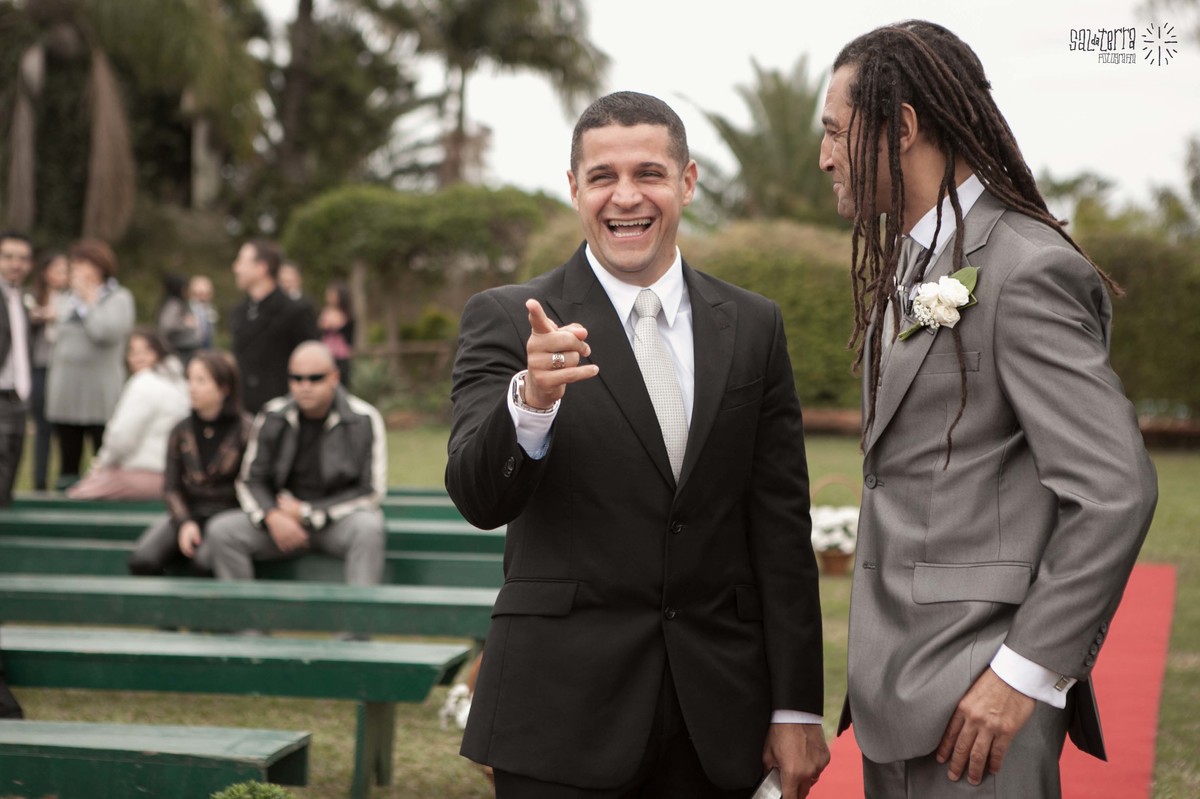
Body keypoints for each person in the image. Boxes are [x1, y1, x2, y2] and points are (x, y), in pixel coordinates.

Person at [446, 91, 828, 798]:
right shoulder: (507, 317)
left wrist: (797, 702)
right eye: (602, 177)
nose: (626, 196)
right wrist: (531, 402)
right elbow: (476, 494)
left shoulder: (753, 324)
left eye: (649, 172)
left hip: (717, 717)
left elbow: (780, 525)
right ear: (574, 189)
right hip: (558, 713)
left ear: (687, 181)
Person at [818, 21, 1158, 797]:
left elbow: (1114, 488)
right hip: (894, 690)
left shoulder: (1026, 269)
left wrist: (1023, 673)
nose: (825, 156)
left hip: (981, 703)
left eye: (836, 132)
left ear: (900, 129)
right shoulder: (911, 259)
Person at [199, 341, 386, 587]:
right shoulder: (273, 415)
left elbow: (370, 491)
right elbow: (250, 479)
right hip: (281, 523)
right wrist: (272, 516)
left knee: (369, 529)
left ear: (334, 377)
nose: (304, 386)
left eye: (315, 378)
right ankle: (247, 625)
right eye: (296, 378)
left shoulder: (363, 419)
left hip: (335, 522)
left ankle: (355, 625)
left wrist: (307, 513)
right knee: (222, 531)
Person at [128, 350, 252, 576]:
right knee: (142, 560)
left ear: (224, 388)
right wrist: (184, 521)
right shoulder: (181, 430)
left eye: (201, 381)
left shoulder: (246, 431)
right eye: (190, 379)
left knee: (203, 565)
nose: (191, 387)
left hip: (227, 516)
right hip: (188, 512)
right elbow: (171, 486)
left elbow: (252, 485)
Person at [45, 239, 135, 490]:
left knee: (104, 461)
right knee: (67, 461)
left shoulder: (119, 298)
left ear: (98, 267)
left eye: (81, 264)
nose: (75, 271)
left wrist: (88, 302)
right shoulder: (66, 299)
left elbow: (105, 332)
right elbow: (55, 336)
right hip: (66, 394)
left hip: (100, 396)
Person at [67, 328, 189, 500]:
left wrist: (101, 465)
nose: (139, 357)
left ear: (159, 352)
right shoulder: (178, 382)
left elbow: (121, 438)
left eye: (146, 351)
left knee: (76, 497)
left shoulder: (144, 383)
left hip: (147, 473)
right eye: (133, 352)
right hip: (175, 475)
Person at [228, 240, 318, 414]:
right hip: (245, 412)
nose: (235, 267)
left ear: (261, 267)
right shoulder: (238, 313)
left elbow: (310, 363)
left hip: (282, 413)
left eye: (241, 261)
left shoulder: (295, 311)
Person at [27, 251, 70, 491]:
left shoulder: (74, 300)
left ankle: (65, 482)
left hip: (65, 370)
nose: (62, 275)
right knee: (42, 428)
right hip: (41, 368)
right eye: (57, 269)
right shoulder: (32, 297)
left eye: (66, 270)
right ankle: (39, 482)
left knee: (65, 429)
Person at [0, 231, 34, 506]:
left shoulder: (20, 299)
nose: (15, 264)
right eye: (8, 256)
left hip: (18, 396)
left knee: (10, 472)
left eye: (22, 258)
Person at [157, 273, 203, 363]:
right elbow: (167, 325)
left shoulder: (175, 304)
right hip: (179, 350)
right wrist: (186, 324)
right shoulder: (173, 305)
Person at [318, 281, 355, 388]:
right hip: (325, 354)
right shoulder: (324, 312)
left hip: (341, 356)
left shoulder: (348, 314)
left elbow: (349, 338)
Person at [188, 274, 218, 349]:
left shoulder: (211, 309)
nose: (203, 298)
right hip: (191, 348)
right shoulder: (186, 309)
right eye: (200, 294)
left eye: (207, 294)